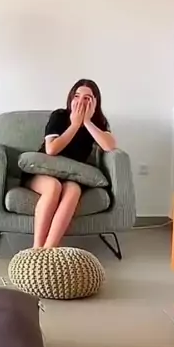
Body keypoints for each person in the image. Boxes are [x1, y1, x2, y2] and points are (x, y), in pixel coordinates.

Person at [25, 79, 116, 250]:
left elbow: (109, 146)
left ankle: (49, 250)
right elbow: (51, 149)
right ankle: (36, 249)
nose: (81, 101)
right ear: (70, 98)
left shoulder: (98, 123)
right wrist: (74, 125)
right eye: (77, 96)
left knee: (73, 190)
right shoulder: (59, 116)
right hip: (44, 171)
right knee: (53, 187)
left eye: (87, 98)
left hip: (70, 175)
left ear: (95, 102)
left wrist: (87, 122)